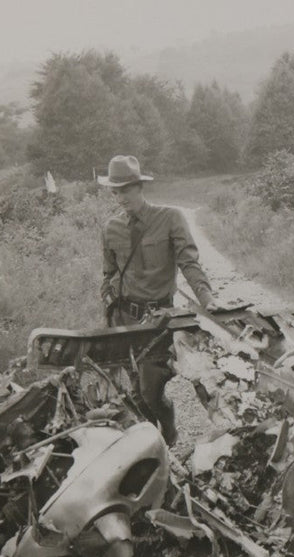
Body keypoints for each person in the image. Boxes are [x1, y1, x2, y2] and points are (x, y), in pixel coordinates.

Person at [99, 154, 217, 445]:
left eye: (126, 189)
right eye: (115, 192)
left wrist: (207, 299)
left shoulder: (170, 218)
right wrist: (107, 296)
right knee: (135, 393)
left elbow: (189, 263)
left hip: (158, 319)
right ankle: (153, 446)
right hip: (123, 319)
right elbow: (109, 273)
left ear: (140, 186)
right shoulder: (110, 228)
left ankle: (169, 428)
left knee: (150, 390)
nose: (121, 198)